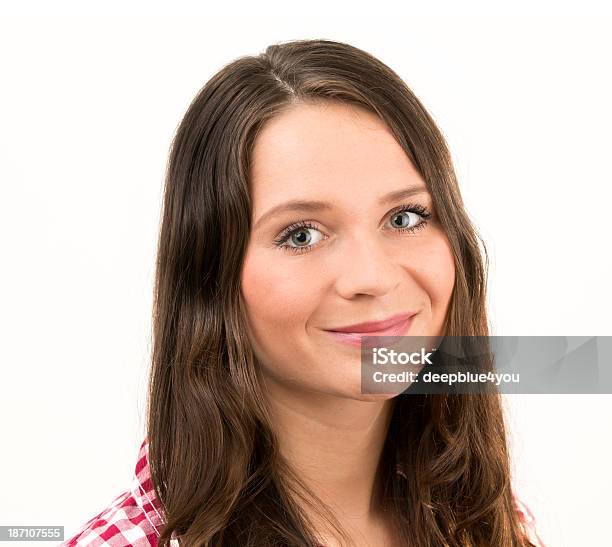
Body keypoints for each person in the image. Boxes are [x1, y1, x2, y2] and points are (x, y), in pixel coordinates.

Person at [63, 38, 547, 546]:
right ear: (211, 274)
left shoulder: (490, 522)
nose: (371, 276)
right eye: (301, 235)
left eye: (405, 217)